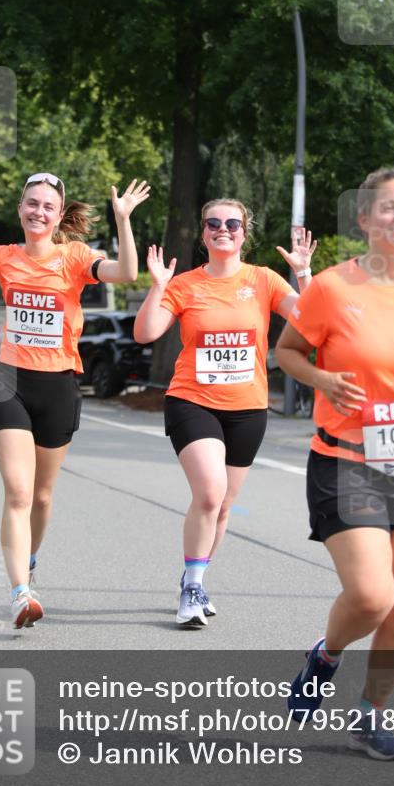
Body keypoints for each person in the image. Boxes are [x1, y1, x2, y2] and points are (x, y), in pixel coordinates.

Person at [276, 167, 394, 760]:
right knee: (370, 596)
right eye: (387, 208)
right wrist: (323, 380)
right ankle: (326, 655)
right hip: (348, 462)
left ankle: (370, 715)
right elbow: (285, 351)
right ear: (364, 219)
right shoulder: (332, 287)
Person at [0, 164, 149, 630]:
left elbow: (127, 272)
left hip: (60, 385)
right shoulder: (4, 256)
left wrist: (122, 218)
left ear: (60, 216)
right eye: (32, 204)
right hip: (11, 381)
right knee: (18, 492)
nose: (38, 212)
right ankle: (20, 592)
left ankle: (31, 558)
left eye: (48, 206)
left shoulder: (76, 258)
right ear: (20, 209)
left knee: (42, 497)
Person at [134, 199, 316, 627]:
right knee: (210, 493)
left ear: (243, 233)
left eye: (232, 223)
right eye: (213, 223)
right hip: (192, 400)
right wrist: (158, 285)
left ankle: (194, 578)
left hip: (248, 407)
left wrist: (304, 273)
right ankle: (193, 587)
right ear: (203, 233)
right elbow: (145, 333)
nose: (223, 229)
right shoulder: (185, 285)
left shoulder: (263, 279)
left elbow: (311, 319)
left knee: (225, 505)